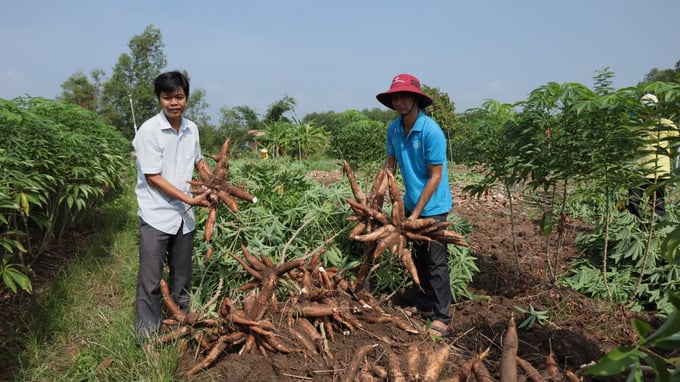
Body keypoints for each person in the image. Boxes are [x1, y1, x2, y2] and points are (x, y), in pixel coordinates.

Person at [132, 71, 211, 339]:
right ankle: (147, 336)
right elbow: (153, 178)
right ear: (159, 99)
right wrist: (189, 198)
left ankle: (182, 324)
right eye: (168, 97)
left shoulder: (192, 129)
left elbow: (199, 161)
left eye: (179, 96)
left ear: (186, 97)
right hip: (156, 214)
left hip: (184, 217)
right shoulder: (149, 131)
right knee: (151, 280)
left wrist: (212, 182)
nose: (174, 103)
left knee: (182, 276)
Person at [376, 73, 454, 337]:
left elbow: (435, 176)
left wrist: (417, 214)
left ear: (416, 99)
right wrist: (378, 196)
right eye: (395, 97)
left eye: (405, 96)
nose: (399, 102)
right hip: (410, 203)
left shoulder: (431, 131)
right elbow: (390, 165)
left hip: (433, 207)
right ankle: (425, 307)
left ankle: (443, 316)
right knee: (416, 259)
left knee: (435, 261)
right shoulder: (394, 129)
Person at [627, 93, 679, 219]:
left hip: (659, 170)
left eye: (650, 108)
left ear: (656, 108)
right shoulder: (636, 125)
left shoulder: (666, 124)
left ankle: (656, 229)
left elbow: (677, 142)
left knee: (658, 204)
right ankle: (636, 227)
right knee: (633, 202)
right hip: (639, 170)